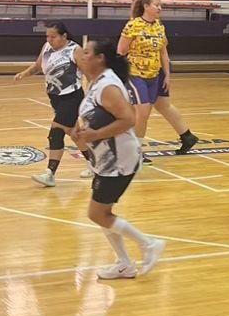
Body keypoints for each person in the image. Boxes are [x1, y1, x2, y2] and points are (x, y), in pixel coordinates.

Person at [71, 37, 164, 281]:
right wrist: (83, 132)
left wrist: (96, 134)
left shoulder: (108, 85)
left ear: (100, 58)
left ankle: (149, 244)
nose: (83, 55)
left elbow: (128, 120)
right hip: (107, 158)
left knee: (97, 213)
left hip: (119, 159)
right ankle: (125, 263)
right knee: (103, 212)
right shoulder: (97, 82)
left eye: (88, 52)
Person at [118, 0, 200, 159]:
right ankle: (136, 151)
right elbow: (121, 50)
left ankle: (187, 136)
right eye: (157, 5)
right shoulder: (133, 25)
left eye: (161, 5)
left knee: (160, 106)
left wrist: (168, 75)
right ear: (146, 6)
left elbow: (163, 53)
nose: (160, 8)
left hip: (154, 74)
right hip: (135, 73)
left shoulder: (159, 26)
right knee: (143, 111)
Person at [14, 21, 83, 187]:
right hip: (55, 97)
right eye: (47, 36)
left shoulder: (75, 50)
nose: (49, 39)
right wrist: (23, 74)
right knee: (75, 134)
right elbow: (38, 66)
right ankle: (96, 167)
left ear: (63, 36)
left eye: (53, 37)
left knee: (56, 133)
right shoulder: (46, 48)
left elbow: (89, 71)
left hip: (72, 97)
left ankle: (50, 173)